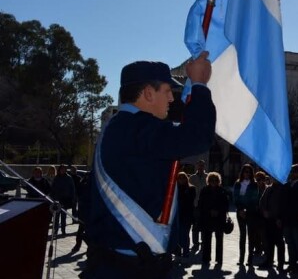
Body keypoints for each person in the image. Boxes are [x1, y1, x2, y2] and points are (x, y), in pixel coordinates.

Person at [83, 55, 215, 279]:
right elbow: (198, 136)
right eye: (167, 91)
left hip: (116, 261)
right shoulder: (139, 128)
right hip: (129, 267)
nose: (172, 99)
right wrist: (200, 85)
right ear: (148, 93)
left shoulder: (119, 127)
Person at [199, 171, 229, 267]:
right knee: (206, 239)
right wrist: (209, 211)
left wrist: (218, 211)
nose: (213, 181)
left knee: (219, 240)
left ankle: (219, 259)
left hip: (219, 218)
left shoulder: (222, 190)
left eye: (215, 180)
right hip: (207, 217)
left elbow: (226, 205)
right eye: (211, 180)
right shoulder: (204, 190)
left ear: (218, 181)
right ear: (208, 180)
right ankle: (206, 258)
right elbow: (201, 204)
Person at [233, 164, 259, 267]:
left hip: (250, 212)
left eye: (249, 172)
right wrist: (240, 209)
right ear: (242, 172)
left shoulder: (254, 184)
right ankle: (241, 258)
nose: (247, 174)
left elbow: (254, 199)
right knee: (242, 235)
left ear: (251, 173)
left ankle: (250, 259)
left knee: (251, 236)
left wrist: (246, 210)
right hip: (240, 212)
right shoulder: (238, 183)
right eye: (245, 171)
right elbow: (235, 197)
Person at [258, 175, 285, 271]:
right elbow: (261, 202)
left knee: (279, 243)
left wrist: (279, 218)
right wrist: (264, 211)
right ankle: (269, 261)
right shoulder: (268, 188)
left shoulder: (282, 189)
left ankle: (281, 263)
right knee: (269, 242)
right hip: (267, 219)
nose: (274, 179)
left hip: (277, 220)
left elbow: (283, 206)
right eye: (273, 177)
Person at [175, 171, 196, 259]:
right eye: (180, 178)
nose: (181, 180)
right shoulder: (175, 189)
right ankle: (178, 252)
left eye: (183, 178)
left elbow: (190, 201)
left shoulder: (191, 188)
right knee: (178, 235)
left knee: (185, 234)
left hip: (187, 215)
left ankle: (186, 253)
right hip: (177, 215)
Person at [51, 164, 76, 236]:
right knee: (56, 217)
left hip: (65, 199)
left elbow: (72, 189)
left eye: (64, 169)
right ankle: (55, 231)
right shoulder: (56, 178)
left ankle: (63, 230)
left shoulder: (69, 178)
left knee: (63, 216)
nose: (63, 170)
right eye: (62, 169)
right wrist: (52, 198)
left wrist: (72, 198)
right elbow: (53, 188)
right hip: (57, 199)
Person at [189, 160, 208, 250]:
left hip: (205, 204)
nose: (200, 167)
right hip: (195, 204)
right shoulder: (192, 178)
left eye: (202, 166)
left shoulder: (208, 177)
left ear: (204, 167)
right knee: (195, 225)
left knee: (205, 224)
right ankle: (195, 243)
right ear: (196, 167)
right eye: (199, 165)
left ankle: (204, 242)